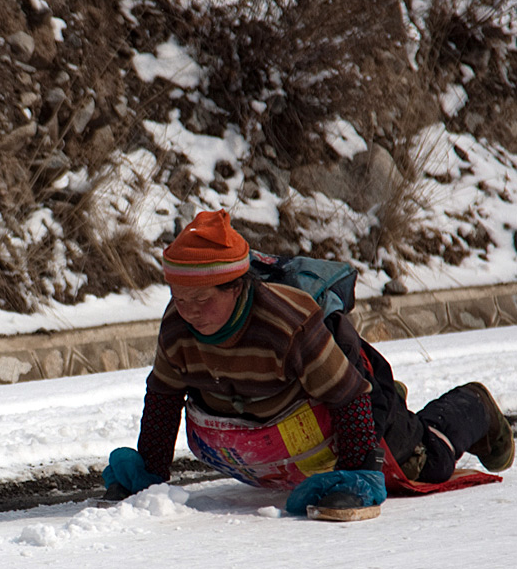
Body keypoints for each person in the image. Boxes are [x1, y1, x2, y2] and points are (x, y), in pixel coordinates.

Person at [103, 209, 513, 514]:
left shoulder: (287, 323)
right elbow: (163, 397)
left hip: (355, 394)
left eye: (202, 299)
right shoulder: (177, 326)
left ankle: (474, 406)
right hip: (283, 422)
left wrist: (357, 473)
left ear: (235, 288)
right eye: (179, 296)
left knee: (427, 462)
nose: (187, 310)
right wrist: (150, 473)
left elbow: (350, 394)